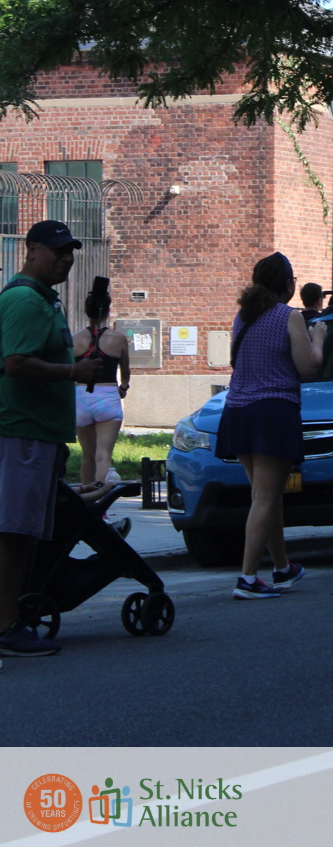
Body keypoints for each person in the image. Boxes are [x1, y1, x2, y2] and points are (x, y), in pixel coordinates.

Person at [0, 220, 102, 656]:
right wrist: (73, 371)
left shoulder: (42, 299)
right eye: (57, 250)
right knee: (13, 533)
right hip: (22, 432)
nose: (66, 258)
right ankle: (6, 627)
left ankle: (9, 618)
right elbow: (17, 363)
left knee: (21, 533)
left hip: (35, 435)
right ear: (30, 250)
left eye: (70, 251)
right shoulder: (26, 300)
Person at [215, 252, 322, 598]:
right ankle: (247, 578)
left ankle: (281, 567)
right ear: (289, 285)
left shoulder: (243, 316)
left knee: (268, 495)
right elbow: (308, 367)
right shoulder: (289, 317)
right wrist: (319, 338)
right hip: (272, 411)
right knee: (264, 497)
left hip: (237, 411)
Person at [73, 280, 130, 486]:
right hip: (108, 396)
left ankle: (88, 498)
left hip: (81, 396)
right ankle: (102, 500)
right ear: (108, 310)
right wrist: (123, 387)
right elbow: (125, 371)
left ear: (86, 311)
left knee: (87, 456)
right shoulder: (118, 339)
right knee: (103, 456)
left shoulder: (75, 339)